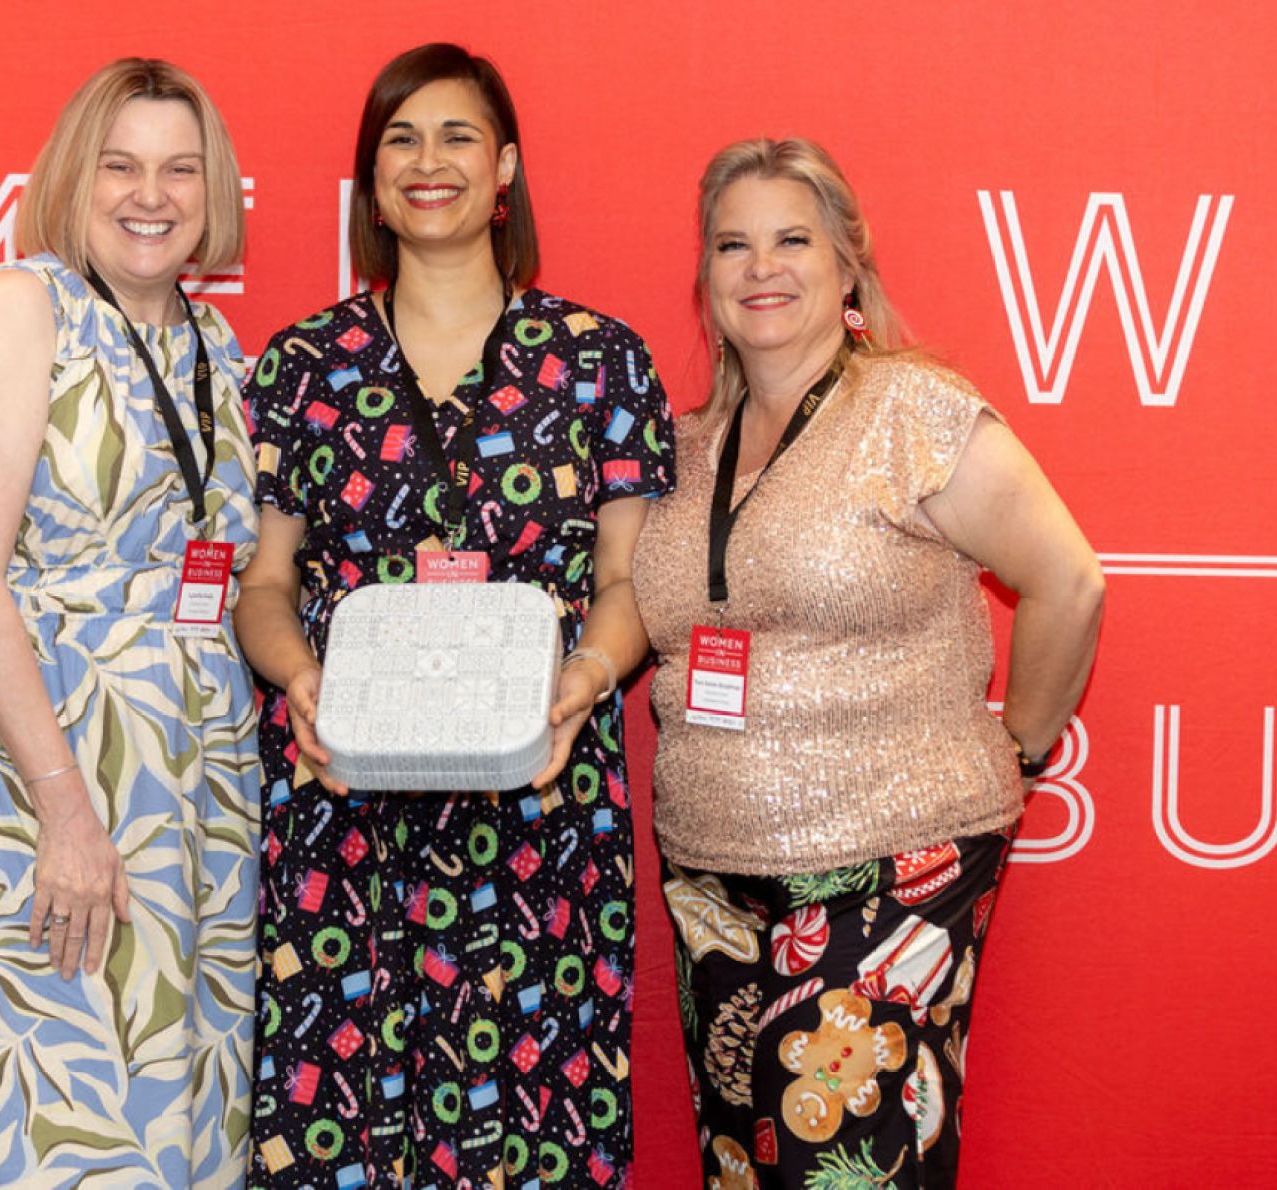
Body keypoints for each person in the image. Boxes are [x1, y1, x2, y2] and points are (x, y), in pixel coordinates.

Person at [236, 43, 674, 1189]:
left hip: (539, 809)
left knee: (535, 1137)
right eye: (401, 139)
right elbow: (265, 585)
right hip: (344, 819)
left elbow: (630, 584)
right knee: (341, 1138)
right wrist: (297, 677)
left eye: (457, 137)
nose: (428, 162)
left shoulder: (600, 361)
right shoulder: (302, 366)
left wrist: (585, 680)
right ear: (372, 181)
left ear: (506, 167)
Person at [633, 138, 1104, 1188]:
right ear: (706, 276)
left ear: (847, 264)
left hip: (890, 865)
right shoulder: (685, 446)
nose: (762, 267)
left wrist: (1019, 750)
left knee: (841, 1165)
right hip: (710, 878)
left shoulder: (912, 410)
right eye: (732, 245)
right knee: (743, 1167)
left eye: (793, 240)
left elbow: (1069, 581)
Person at [0, 59, 261, 1188]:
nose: (151, 195)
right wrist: (66, 810)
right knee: (40, 1087)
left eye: (179, 169)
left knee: (164, 1090)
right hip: (43, 765)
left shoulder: (214, 344)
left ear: (213, 191)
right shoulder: (18, 308)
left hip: (188, 781)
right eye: (119, 166)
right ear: (71, 179)